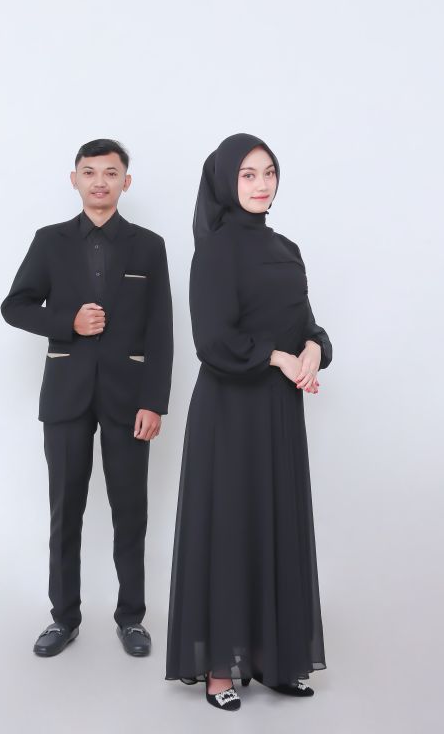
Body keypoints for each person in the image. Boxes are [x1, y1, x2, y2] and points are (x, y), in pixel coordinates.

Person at [165, 133, 332, 711]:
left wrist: (313, 349)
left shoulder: (287, 248)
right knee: (232, 526)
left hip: (279, 412)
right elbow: (213, 340)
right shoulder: (215, 251)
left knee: (276, 522)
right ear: (224, 182)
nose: (262, 185)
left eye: (269, 172)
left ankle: (274, 660)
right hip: (230, 413)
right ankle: (220, 669)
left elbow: (307, 322)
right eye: (248, 174)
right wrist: (278, 358)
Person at [1, 139, 173, 658]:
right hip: (66, 396)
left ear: (126, 182)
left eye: (111, 172)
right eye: (90, 171)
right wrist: (67, 322)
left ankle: (132, 619)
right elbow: (15, 306)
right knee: (65, 512)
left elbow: (162, 329)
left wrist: (154, 401)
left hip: (129, 400)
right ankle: (64, 618)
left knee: (131, 512)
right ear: (74, 179)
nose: (100, 181)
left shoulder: (149, 246)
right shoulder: (49, 241)